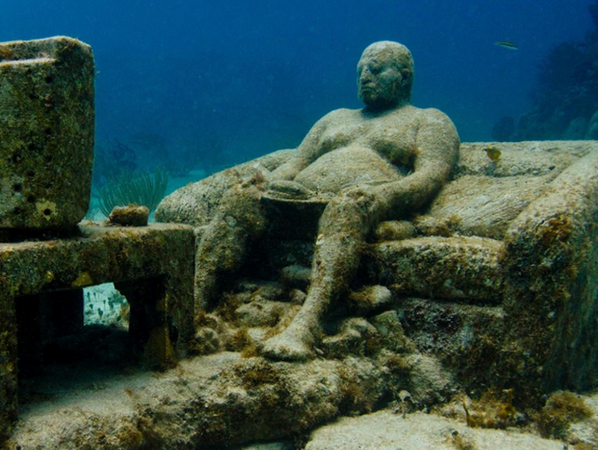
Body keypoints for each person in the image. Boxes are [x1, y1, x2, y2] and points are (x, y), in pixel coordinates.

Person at [194, 41, 460, 361]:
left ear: (404, 77)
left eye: (375, 70)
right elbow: (294, 164)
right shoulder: (335, 118)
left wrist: (380, 196)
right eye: (361, 70)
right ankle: (193, 306)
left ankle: (307, 325)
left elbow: (430, 176)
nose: (365, 76)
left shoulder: (429, 120)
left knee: (346, 206)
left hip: (362, 205)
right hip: (300, 201)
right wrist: (265, 184)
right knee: (240, 197)